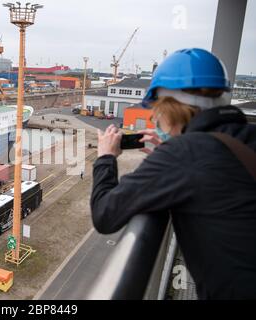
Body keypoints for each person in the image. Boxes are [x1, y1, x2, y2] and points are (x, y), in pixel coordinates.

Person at [91, 48, 256, 300]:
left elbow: (105, 214)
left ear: (170, 107)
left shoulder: (184, 153)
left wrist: (105, 158)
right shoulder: (247, 137)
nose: (157, 118)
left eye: (157, 109)